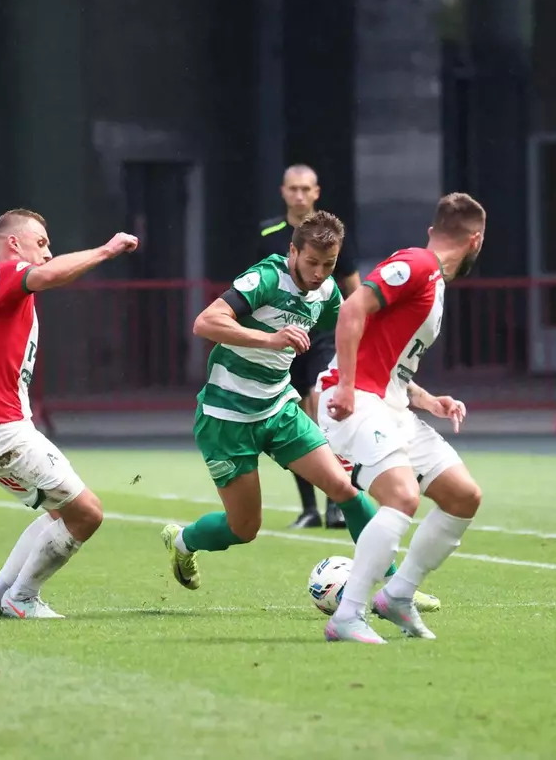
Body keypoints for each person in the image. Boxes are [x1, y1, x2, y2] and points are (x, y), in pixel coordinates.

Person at [161, 210, 439, 613]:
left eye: (329, 264)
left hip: (279, 409)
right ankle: (183, 541)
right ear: (292, 251)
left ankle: (397, 590)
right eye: (311, 262)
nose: (319, 273)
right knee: (244, 527)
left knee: (345, 490)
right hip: (226, 417)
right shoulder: (266, 278)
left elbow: (360, 347)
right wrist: (271, 339)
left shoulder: (327, 293)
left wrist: (416, 391)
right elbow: (205, 322)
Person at [316, 193, 486, 644]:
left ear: (434, 230)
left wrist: (427, 399)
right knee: (402, 497)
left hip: (390, 406)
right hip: (354, 401)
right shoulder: (418, 264)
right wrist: (347, 385)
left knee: (463, 496)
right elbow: (352, 308)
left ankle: (397, 596)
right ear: (476, 240)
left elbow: (390, 359)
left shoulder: (433, 278)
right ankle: (347, 615)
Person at [0, 209, 139, 618]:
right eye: (40, 243)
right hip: (3, 432)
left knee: (62, 513)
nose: (47, 252)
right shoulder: (5, 274)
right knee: (89, 514)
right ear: (13, 244)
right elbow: (49, 275)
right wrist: (106, 250)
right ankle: (21, 598)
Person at [257, 165, 360, 530]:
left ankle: (336, 503)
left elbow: (354, 289)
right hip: (284, 340)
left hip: (322, 336)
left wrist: (360, 331)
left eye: (306, 189)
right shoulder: (268, 234)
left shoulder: (332, 235)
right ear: (283, 192)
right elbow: (257, 286)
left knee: (321, 408)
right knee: (295, 418)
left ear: (316, 192)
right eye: (293, 189)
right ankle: (309, 509)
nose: (299, 195)